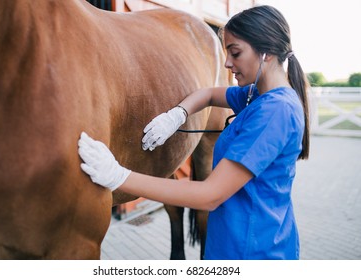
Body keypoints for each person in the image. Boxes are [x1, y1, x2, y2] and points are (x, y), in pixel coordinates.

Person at [78, 5, 310, 260]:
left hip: (252, 251)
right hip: (235, 242)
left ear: (265, 52)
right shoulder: (257, 95)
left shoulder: (275, 111)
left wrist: (118, 176)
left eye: (235, 53)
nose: (227, 63)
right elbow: (209, 94)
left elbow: (208, 195)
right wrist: (176, 115)